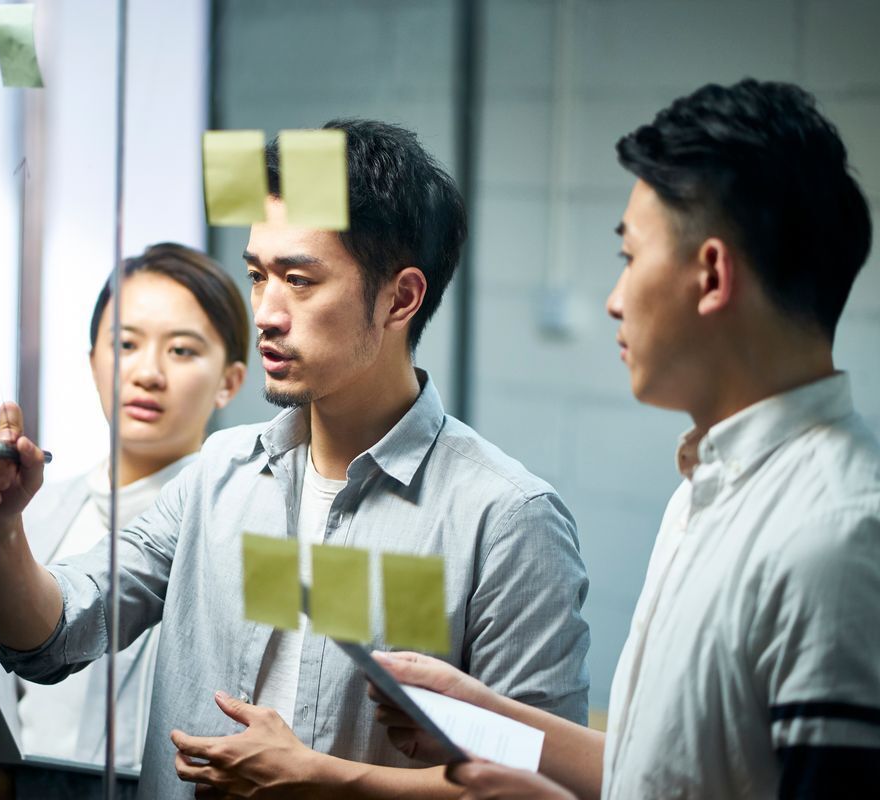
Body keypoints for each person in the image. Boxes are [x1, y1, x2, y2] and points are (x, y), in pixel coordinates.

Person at [0, 118, 591, 799]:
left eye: (300, 281)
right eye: (257, 276)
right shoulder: (219, 472)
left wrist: (327, 783)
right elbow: (52, 635)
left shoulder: (506, 519)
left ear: (400, 297)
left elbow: (538, 784)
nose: (267, 314)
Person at [371, 79, 880, 799]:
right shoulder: (713, 486)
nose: (614, 298)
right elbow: (665, 774)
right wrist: (484, 716)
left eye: (630, 257)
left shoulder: (834, 536)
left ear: (710, 275)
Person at [0, 243, 249, 798]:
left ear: (230, 380)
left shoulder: (240, 526)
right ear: (92, 362)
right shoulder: (31, 511)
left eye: (182, 350)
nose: (148, 373)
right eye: (125, 344)